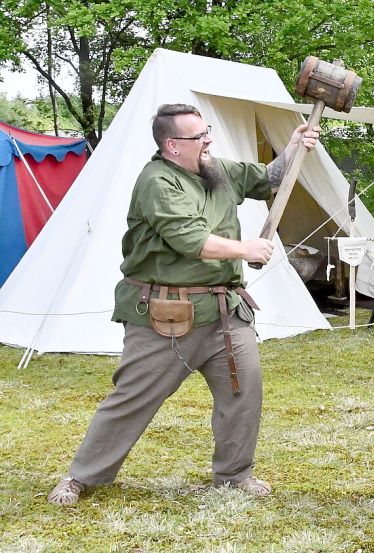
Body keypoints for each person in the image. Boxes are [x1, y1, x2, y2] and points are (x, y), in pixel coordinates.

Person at [47, 103, 320, 506]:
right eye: (199, 136)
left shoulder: (217, 170)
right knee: (133, 398)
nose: (208, 140)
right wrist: (246, 249)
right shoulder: (157, 182)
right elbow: (191, 240)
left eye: (208, 131)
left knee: (243, 393)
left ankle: (233, 474)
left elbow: (268, 178)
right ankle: (82, 475)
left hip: (226, 312)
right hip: (166, 315)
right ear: (172, 145)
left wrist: (294, 147)